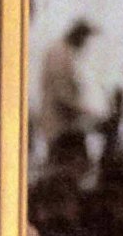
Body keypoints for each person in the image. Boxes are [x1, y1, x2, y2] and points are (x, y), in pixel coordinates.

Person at [38, 17, 97, 150]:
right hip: (61, 129)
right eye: (85, 39)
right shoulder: (60, 54)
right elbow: (63, 96)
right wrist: (89, 114)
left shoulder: (63, 52)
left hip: (62, 128)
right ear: (79, 36)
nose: (85, 45)